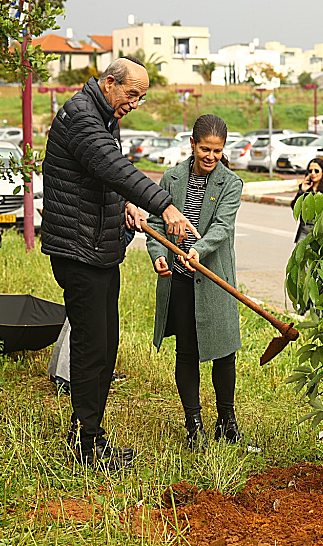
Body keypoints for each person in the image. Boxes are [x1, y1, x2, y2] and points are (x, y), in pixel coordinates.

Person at [41, 57, 199, 471]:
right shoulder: (81, 117)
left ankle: (89, 436)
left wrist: (127, 203)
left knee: (105, 347)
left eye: (141, 98)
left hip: (99, 248)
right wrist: (164, 206)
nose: (135, 103)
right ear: (110, 83)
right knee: (92, 349)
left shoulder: (103, 115)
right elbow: (115, 168)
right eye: (132, 94)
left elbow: (105, 178)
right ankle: (87, 446)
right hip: (79, 251)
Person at [145, 114, 247, 452]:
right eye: (205, 149)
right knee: (186, 352)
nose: (211, 157)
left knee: (223, 351)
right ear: (192, 144)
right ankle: (194, 425)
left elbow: (222, 228)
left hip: (215, 279)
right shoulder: (171, 179)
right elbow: (157, 224)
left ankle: (226, 421)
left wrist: (198, 250)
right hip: (181, 281)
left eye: (217, 151)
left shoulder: (230, 183)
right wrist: (159, 254)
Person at [290, 157, 323, 243]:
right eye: (310, 171)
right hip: (305, 232)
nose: (313, 173)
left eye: (316, 171)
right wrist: (302, 191)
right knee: (300, 256)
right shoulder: (305, 188)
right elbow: (295, 208)